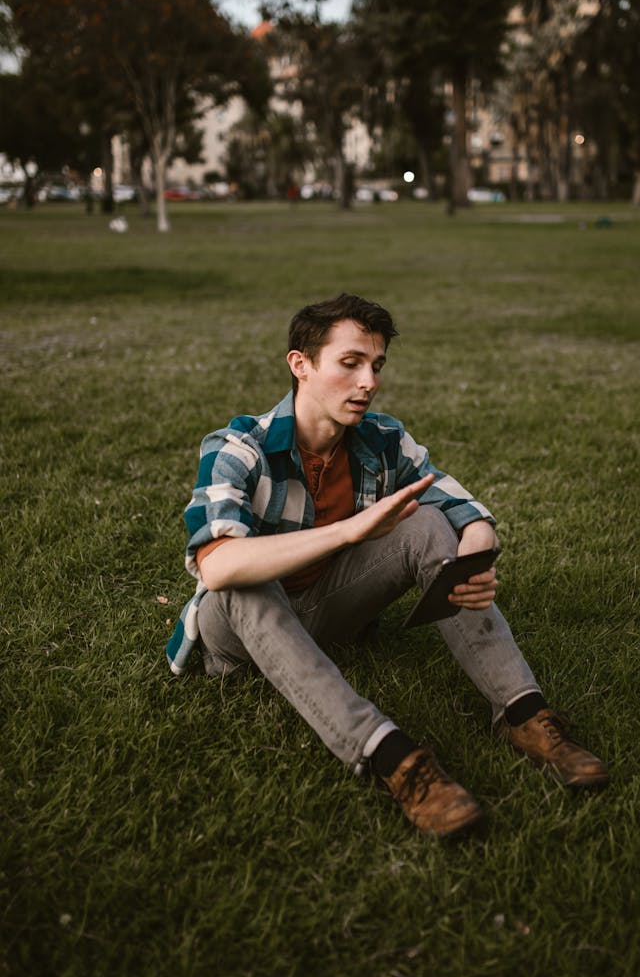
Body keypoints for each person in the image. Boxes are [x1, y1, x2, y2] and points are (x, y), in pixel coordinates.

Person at [166, 293, 608, 838]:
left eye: (375, 366)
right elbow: (216, 568)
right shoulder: (238, 447)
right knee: (241, 579)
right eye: (349, 364)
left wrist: (472, 551)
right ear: (300, 364)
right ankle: (392, 758)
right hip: (237, 634)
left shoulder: (381, 438)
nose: (368, 381)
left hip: (327, 611)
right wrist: (350, 530)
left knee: (427, 524)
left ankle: (525, 715)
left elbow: (462, 507)